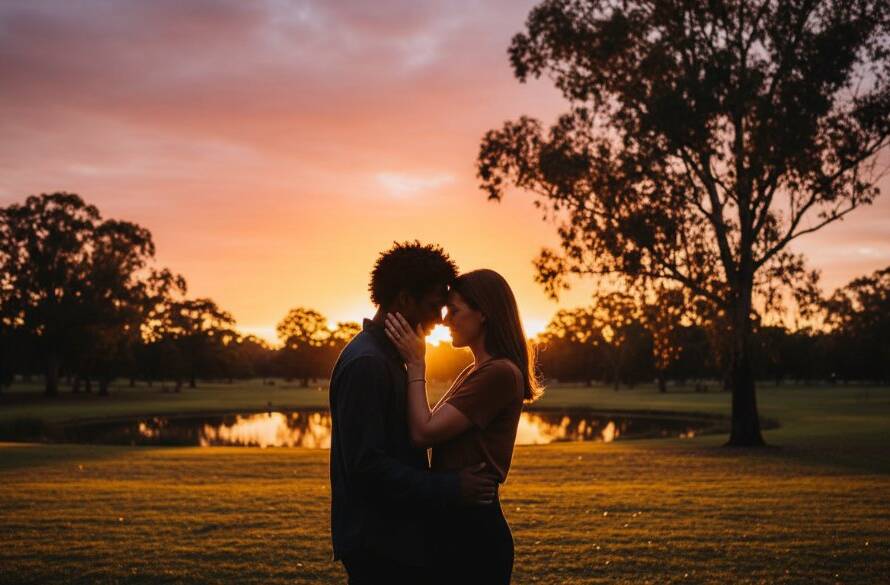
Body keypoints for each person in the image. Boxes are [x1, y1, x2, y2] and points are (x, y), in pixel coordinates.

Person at [329, 241, 500, 585]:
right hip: (379, 546)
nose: (440, 319)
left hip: (396, 538)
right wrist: (451, 487)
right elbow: (366, 467)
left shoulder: (391, 358)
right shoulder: (368, 363)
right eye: (436, 305)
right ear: (405, 299)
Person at [384, 268, 544, 585]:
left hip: (474, 532)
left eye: (454, 310)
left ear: (483, 313)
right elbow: (427, 424)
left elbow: (423, 433)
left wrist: (416, 364)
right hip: (455, 523)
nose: (444, 320)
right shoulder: (477, 370)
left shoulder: (498, 373)